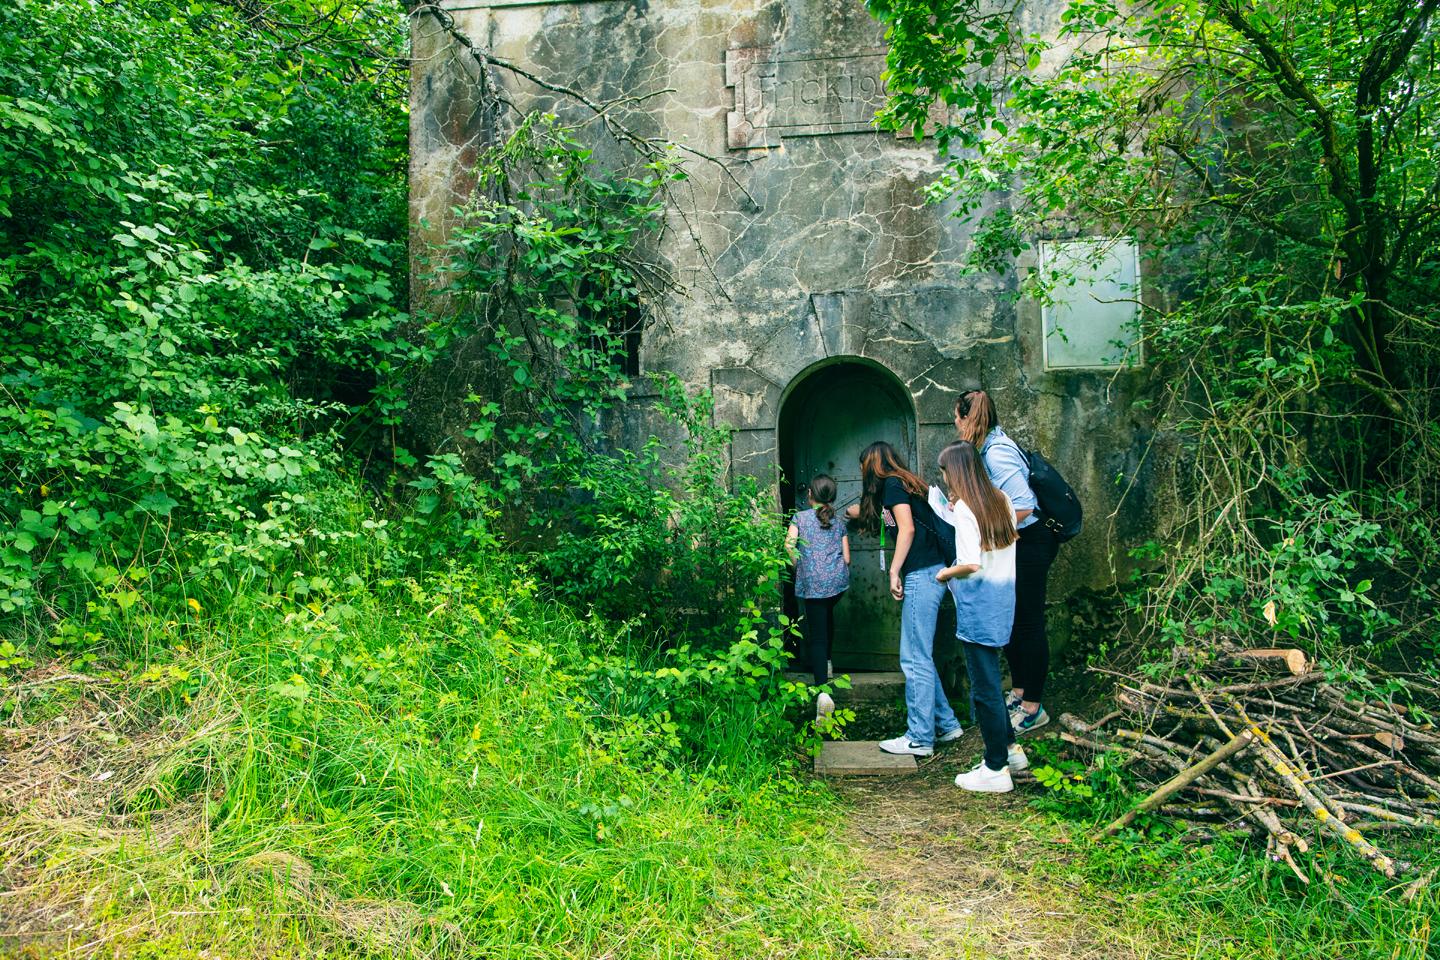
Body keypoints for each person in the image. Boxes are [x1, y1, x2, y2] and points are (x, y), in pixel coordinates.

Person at [845, 441, 962, 757]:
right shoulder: (903, 484)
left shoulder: (894, 485)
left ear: (873, 465)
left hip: (923, 572)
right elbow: (895, 521)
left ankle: (920, 737)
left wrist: (895, 571)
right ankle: (947, 724)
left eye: (863, 468)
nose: (862, 474)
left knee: (913, 657)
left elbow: (907, 529)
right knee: (919, 653)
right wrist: (858, 512)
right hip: (930, 571)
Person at [954, 390, 1058, 734]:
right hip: (1017, 542)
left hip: (1031, 541)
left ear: (969, 418)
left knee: (1028, 623)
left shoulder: (997, 454)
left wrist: (989, 537)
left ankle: (1033, 708)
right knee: (1013, 621)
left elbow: (1024, 505)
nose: (955, 424)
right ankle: (1018, 693)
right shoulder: (986, 448)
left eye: (957, 417)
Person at [932, 441, 1028, 792]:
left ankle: (995, 768)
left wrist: (944, 574)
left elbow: (970, 563)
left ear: (955, 471)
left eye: (944, 473)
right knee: (991, 680)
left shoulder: (965, 509)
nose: (943, 480)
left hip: (978, 604)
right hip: (1004, 600)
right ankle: (1012, 750)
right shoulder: (1000, 498)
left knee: (985, 688)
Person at [786, 474, 850, 719]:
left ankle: (823, 693)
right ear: (831, 497)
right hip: (837, 584)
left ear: (810, 494)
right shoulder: (839, 522)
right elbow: (846, 559)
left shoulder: (800, 518)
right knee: (827, 617)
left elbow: (789, 547)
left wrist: (799, 569)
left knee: (817, 637)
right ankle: (829, 664)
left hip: (813, 584)